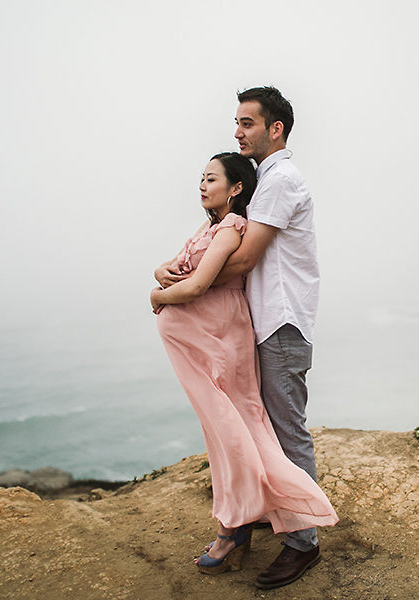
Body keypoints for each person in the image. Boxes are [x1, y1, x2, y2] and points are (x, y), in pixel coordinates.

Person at [151, 151, 337, 578]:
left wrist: (158, 296)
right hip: (218, 341)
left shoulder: (254, 206)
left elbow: (207, 278)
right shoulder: (214, 223)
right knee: (226, 433)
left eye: (211, 178)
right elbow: (182, 265)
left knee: (250, 431)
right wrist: (161, 271)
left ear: (236, 188)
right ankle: (241, 521)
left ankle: (301, 534)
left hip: (252, 333)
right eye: (201, 176)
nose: (201, 184)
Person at [209, 86, 327, 590]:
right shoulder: (267, 181)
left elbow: (245, 258)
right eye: (236, 123)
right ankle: (272, 511)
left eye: (247, 123)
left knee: (286, 429)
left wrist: (185, 283)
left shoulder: (281, 180)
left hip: (281, 324)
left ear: (275, 129)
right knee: (265, 427)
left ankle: (304, 543)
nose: (237, 132)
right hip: (266, 323)